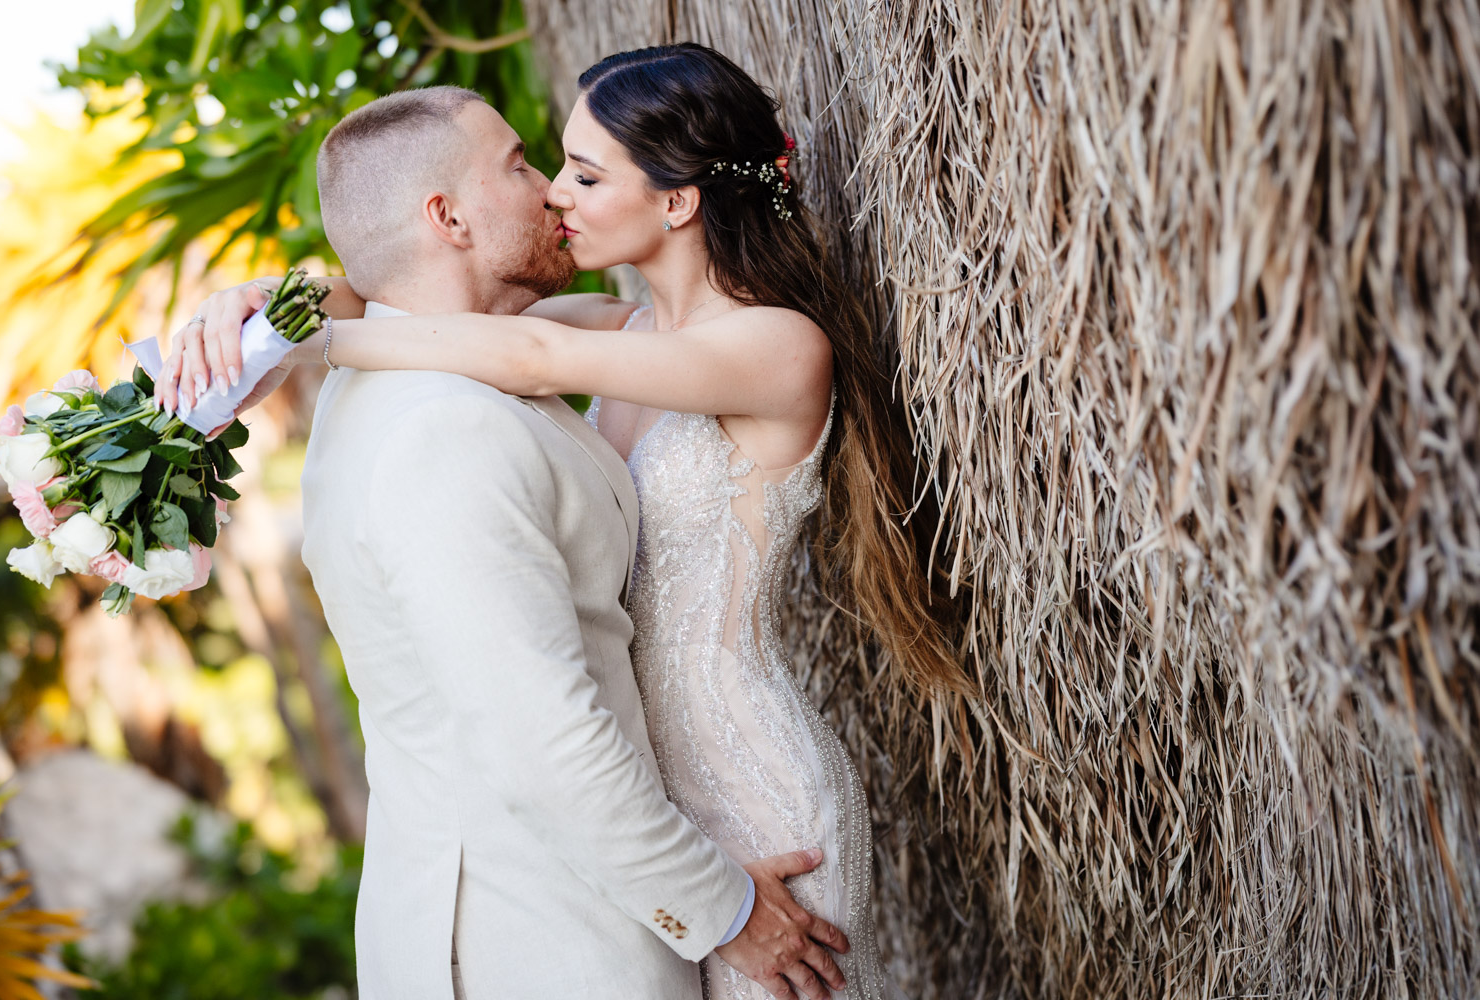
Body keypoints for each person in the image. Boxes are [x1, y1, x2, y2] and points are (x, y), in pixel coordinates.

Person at [167, 44, 963, 999]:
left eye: (584, 174)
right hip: (653, 811)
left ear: (676, 201)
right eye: (545, 167)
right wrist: (261, 309)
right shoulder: (619, 329)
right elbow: (432, 306)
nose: (555, 194)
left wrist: (310, 345)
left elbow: (523, 350)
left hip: (753, 790)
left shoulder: (774, 347)